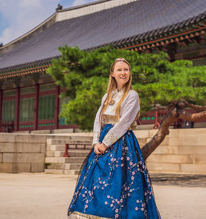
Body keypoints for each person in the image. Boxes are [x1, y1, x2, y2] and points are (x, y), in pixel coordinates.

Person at [68, 58, 161, 219]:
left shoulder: (131, 95)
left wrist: (105, 143)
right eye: (119, 70)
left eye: (126, 69)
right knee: (98, 180)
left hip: (122, 143)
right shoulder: (107, 96)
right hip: (104, 140)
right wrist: (96, 142)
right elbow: (98, 120)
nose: (123, 73)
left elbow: (124, 123)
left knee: (121, 182)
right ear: (112, 74)